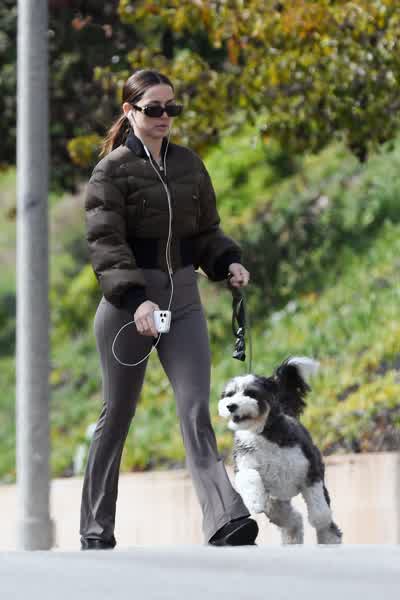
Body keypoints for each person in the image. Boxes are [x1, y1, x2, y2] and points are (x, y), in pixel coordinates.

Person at [79, 68, 258, 550]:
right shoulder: (111, 171)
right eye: (153, 108)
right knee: (118, 413)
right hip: (129, 306)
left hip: (183, 299)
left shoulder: (188, 165)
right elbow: (106, 244)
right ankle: (96, 528)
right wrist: (135, 299)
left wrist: (227, 261)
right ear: (129, 111)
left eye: (171, 108)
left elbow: (205, 231)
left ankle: (225, 518)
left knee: (196, 407)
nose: (164, 116)